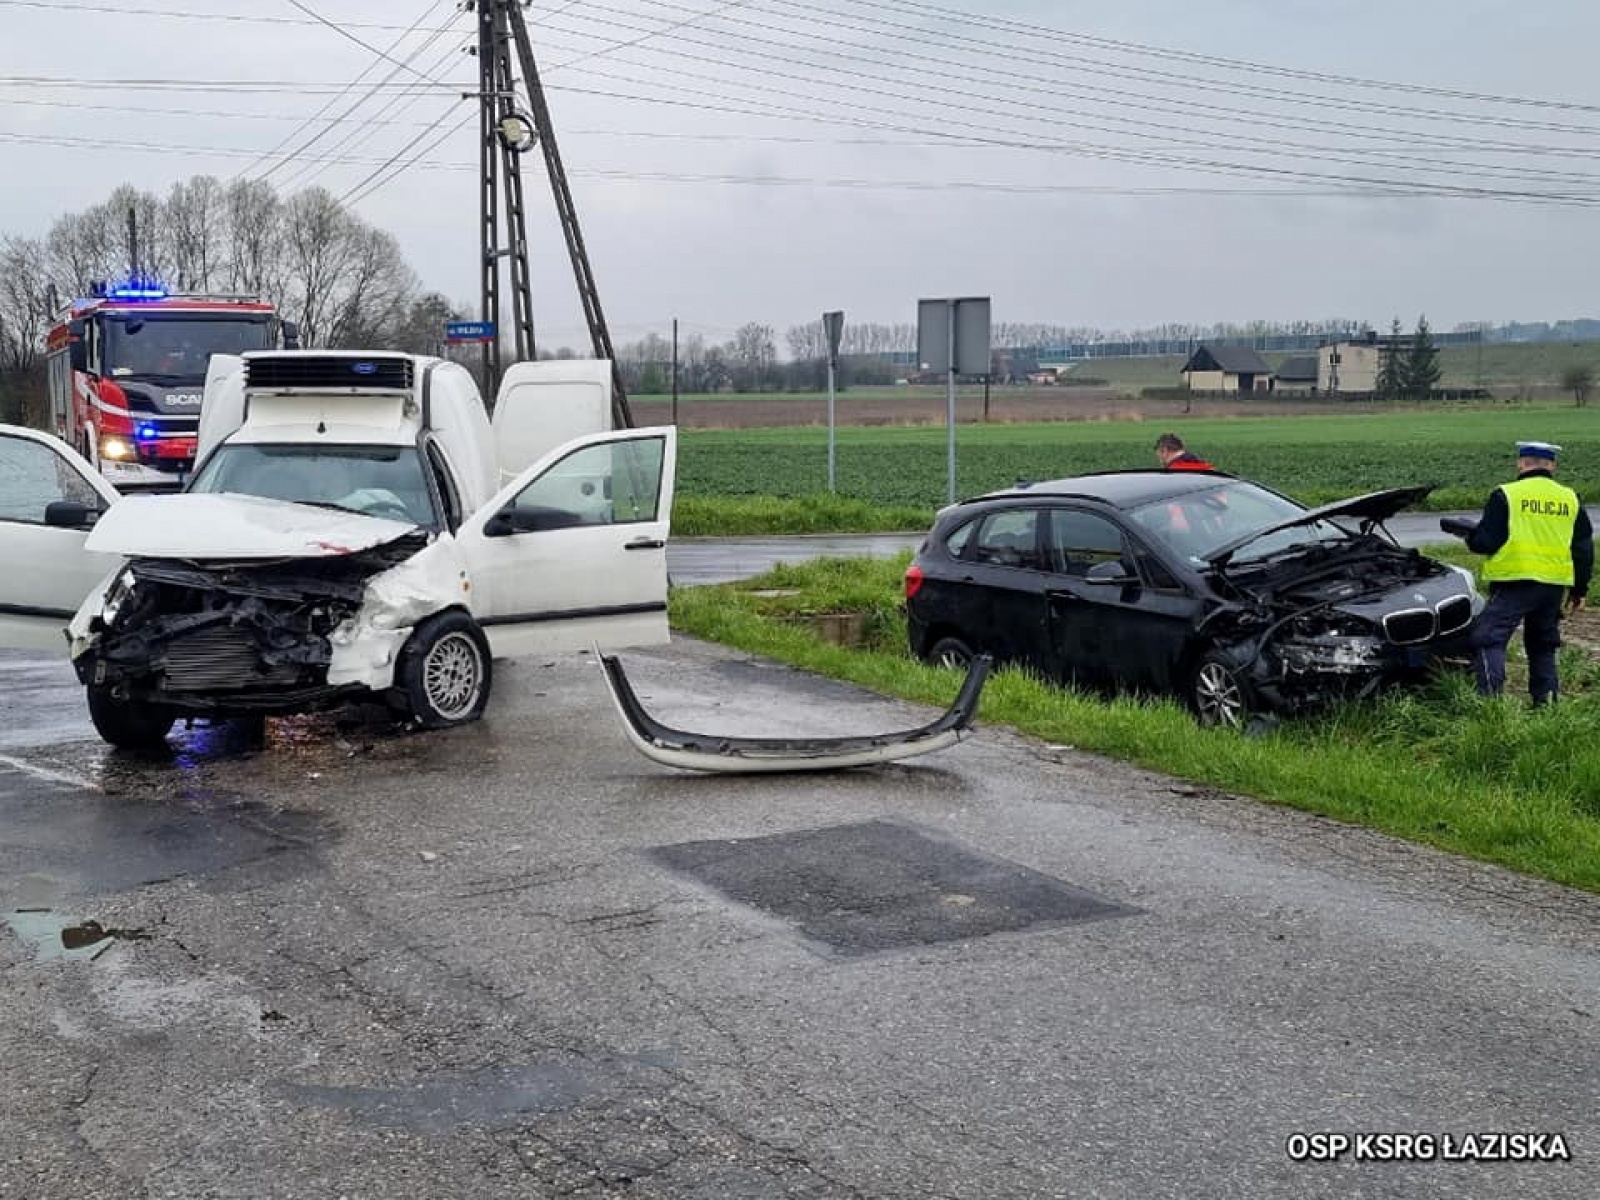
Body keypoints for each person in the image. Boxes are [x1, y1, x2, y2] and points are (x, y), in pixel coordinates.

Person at [1461, 441, 1593, 705]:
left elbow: (1486, 542)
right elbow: (1583, 549)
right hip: (1553, 586)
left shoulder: (1506, 495)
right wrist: (1579, 590)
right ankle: (1547, 705)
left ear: (1521, 463)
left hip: (1514, 581)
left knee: (1488, 638)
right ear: (1552, 466)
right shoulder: (1570, 498)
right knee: (1543, 645)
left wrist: (1470, 535)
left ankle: (1489, 706)